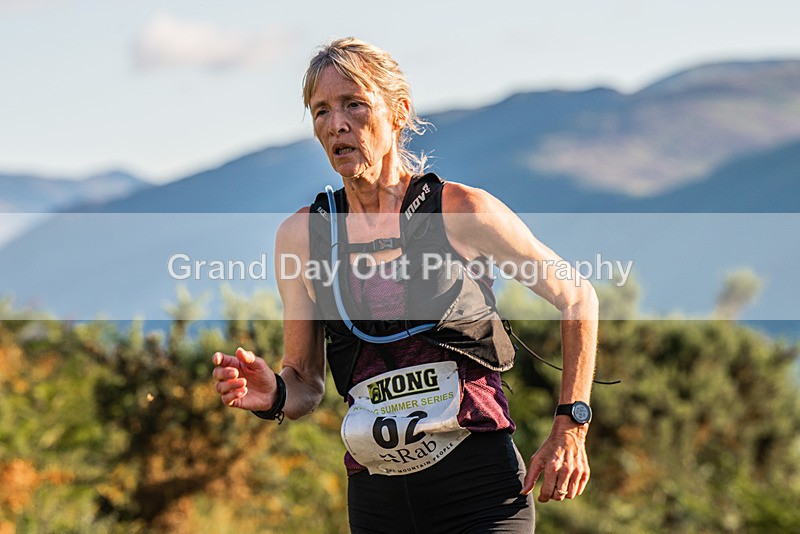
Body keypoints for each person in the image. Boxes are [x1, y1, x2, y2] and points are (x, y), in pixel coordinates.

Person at [212, 37, 598, 533]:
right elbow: (306, 382)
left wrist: (571, 423)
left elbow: (577, 295)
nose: (337, 124)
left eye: (355, 104)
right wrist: (276, 395)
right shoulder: (302, 237)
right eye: (321, 111)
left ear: (398, 112)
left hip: (480, 495)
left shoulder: (461, 212)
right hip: (378, 504)